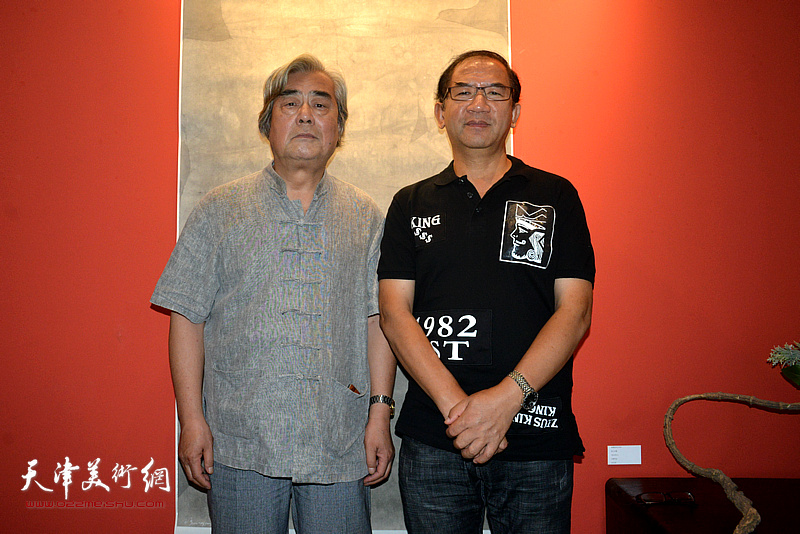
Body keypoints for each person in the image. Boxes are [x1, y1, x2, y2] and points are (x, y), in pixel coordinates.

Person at [151, 54, 396, 534]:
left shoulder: (366, 216)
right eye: (290, 103)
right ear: (268, 123)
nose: (305, 115)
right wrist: (191, 420)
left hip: (339, 441)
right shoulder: (220, 209)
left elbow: (378, 322)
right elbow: (187, 317)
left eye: (320, 105)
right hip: (240, 442)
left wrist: (379, 415)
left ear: (339, 127)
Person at [377, 50, 595, 534]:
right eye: (464, 92)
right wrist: (461, 412)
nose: (479, 103)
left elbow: (575, 312)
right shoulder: (409, 202)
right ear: (441, 111)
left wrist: (505, 400)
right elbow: (394, 314)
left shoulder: (555, 195)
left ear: (514, 111)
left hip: (535, 434)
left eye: (495, 92)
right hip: (436, 436)